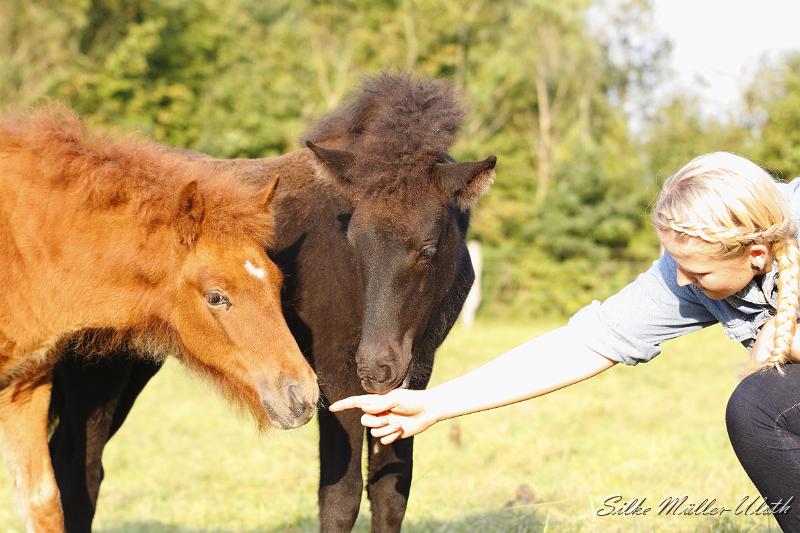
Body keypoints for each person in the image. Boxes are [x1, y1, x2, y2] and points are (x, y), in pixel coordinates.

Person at [330, 152, 800, 531]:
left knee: (759, 402)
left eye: (697, 272)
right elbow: (584, 343)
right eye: (677, 263)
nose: (681, 280)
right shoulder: (691, 272)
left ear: (757, 254)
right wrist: (436, 404)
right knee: (757, 403)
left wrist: (786, 341)